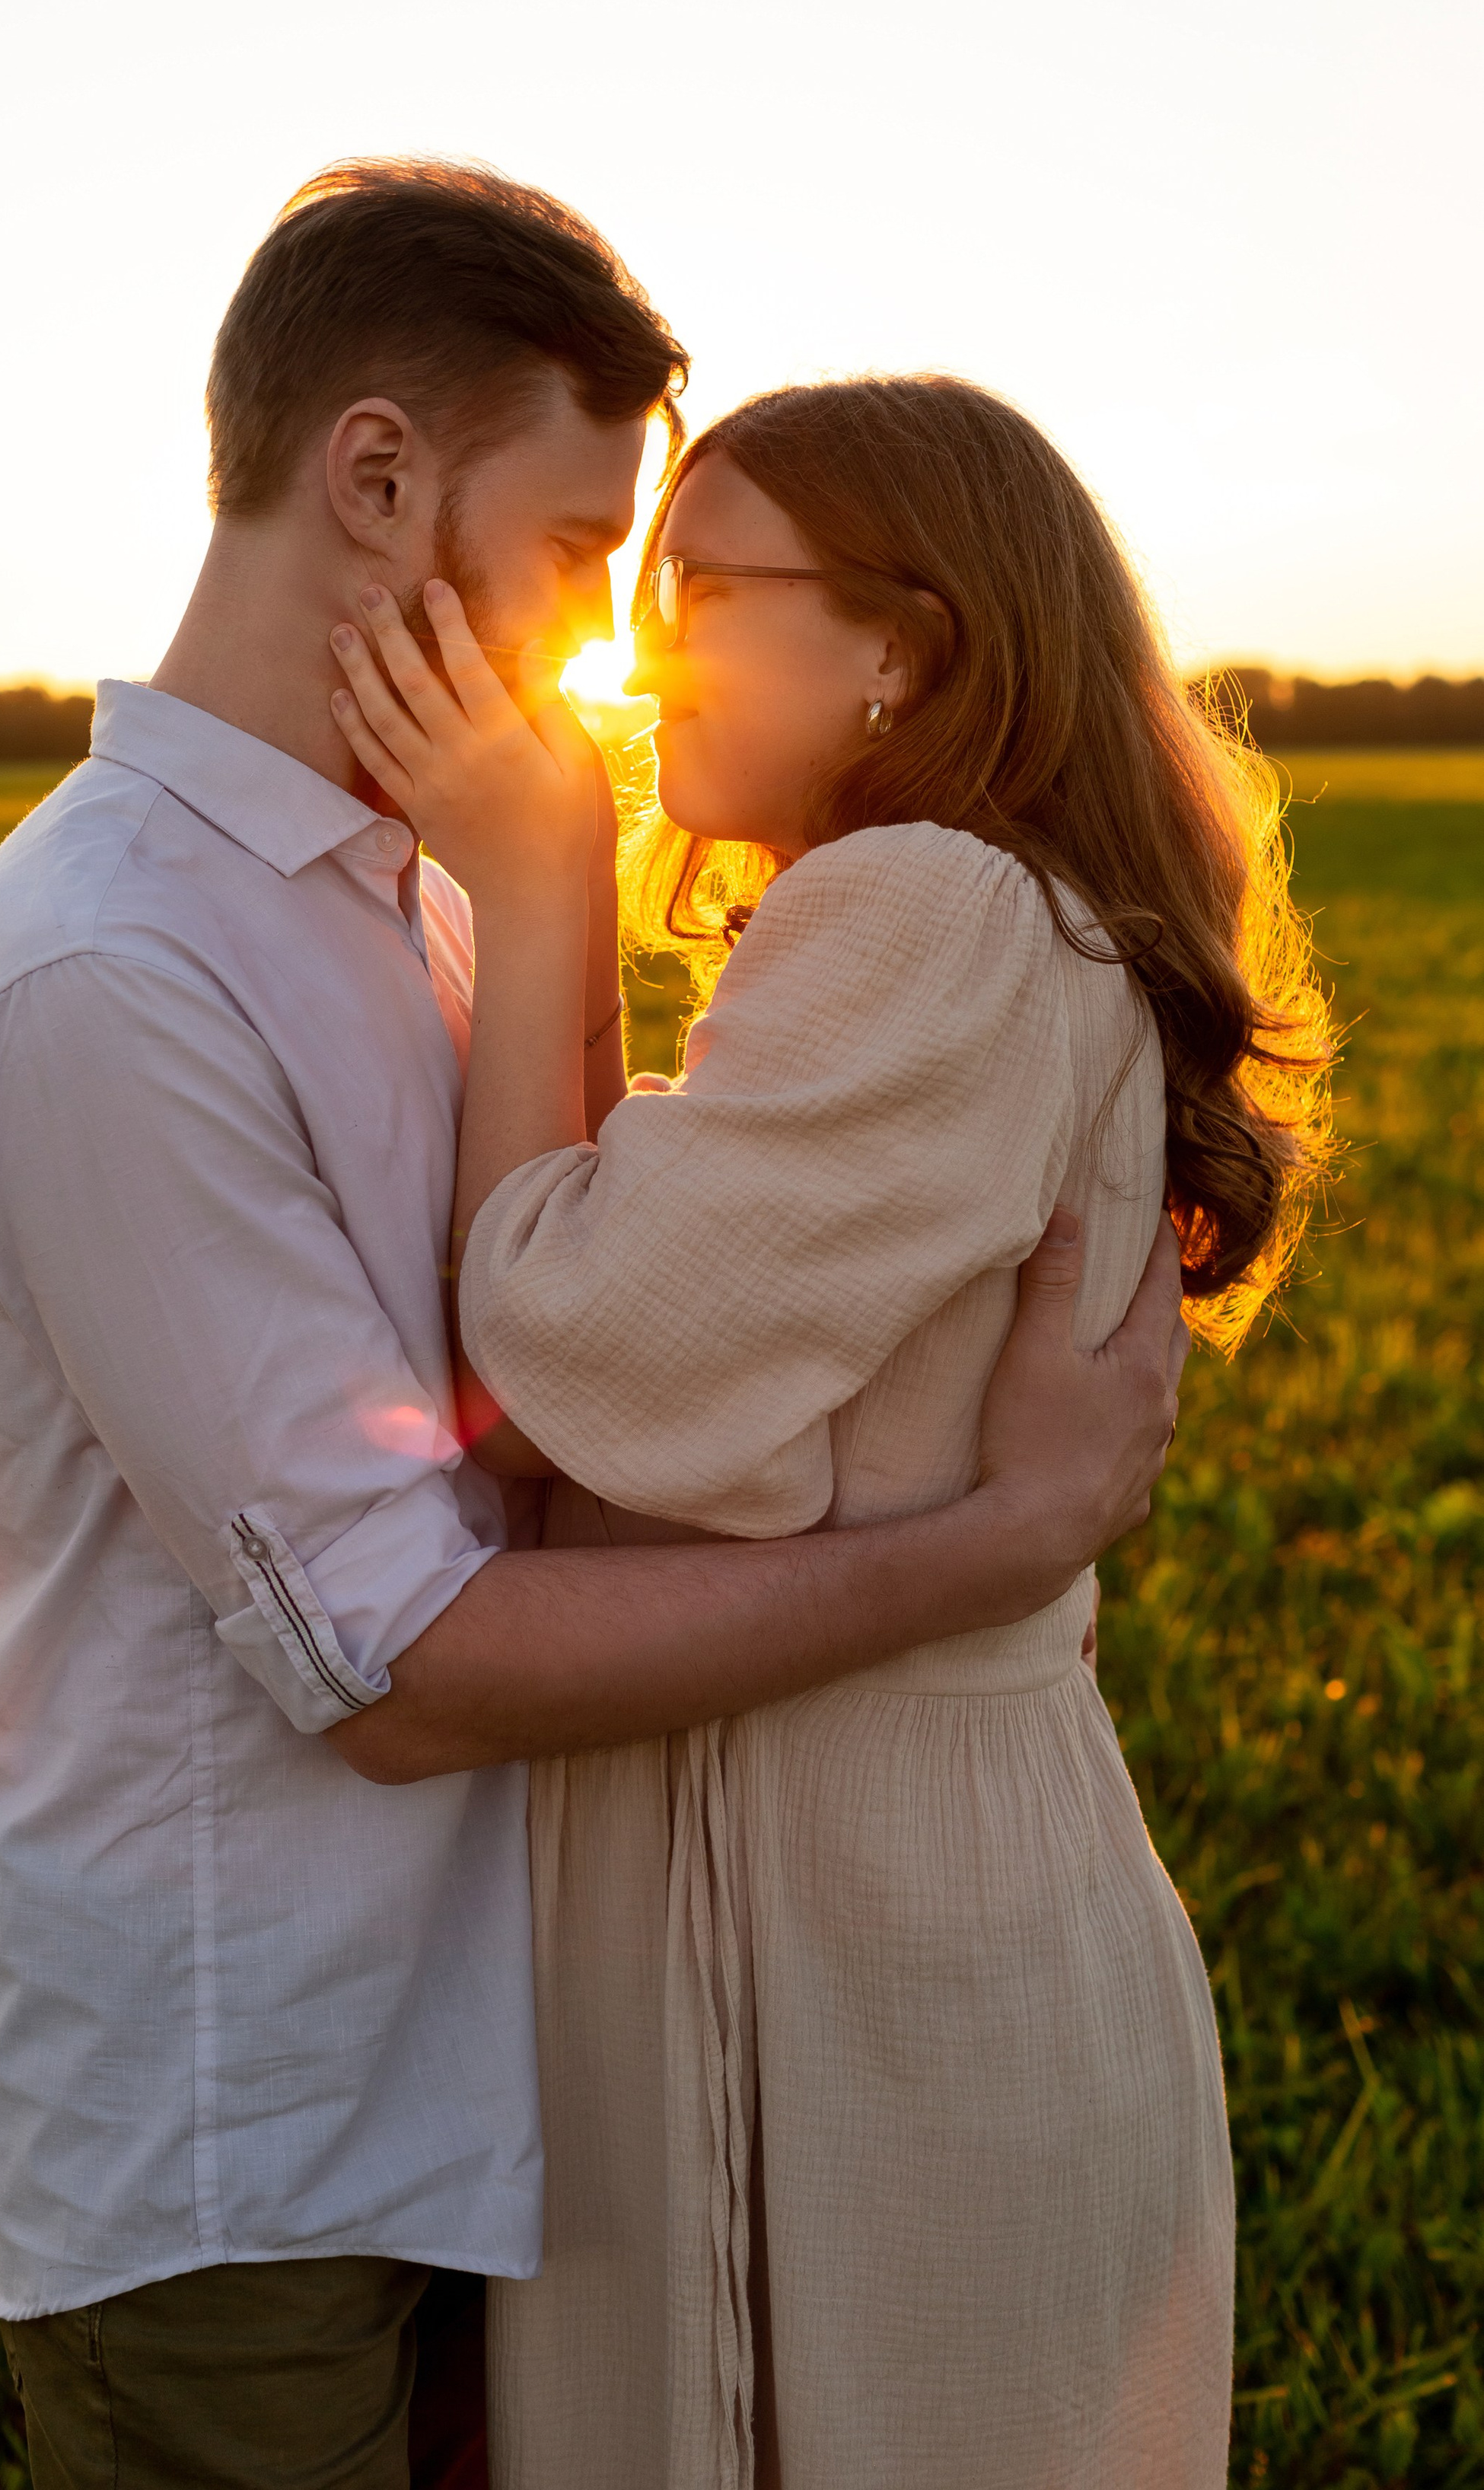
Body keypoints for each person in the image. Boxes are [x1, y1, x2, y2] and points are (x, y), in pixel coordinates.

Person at [0, 164, 1188, 2490]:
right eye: (594, 550)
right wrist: (989, 1555)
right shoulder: (106, 976)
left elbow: (570, 1360)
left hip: (514, 2086)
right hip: (251, 2137)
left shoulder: (431, 904)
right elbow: (390, 1664)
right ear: (376, 476)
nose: (614, 634)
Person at [326, 371, 1333, 2490]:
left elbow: (565, 1335)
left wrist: (534, 878)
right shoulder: (959, 921)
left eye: (704, 582)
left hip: (867, 1927)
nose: (642, 639)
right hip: (895, 1878)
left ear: (905, 645)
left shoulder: (936, 914)